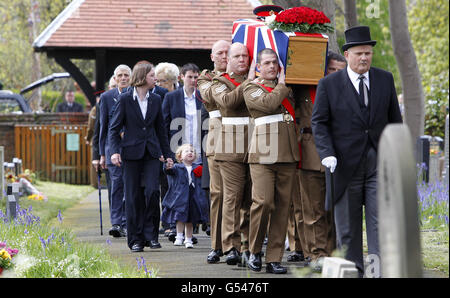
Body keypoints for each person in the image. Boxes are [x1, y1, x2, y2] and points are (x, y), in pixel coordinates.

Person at [311, 26, 403, 277]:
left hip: (378, 163)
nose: (364, 58)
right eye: (360, 53)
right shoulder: (329, 84)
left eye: (368, 53)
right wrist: (326, 152)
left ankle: (376, 272)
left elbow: (395, 120)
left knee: (378, 223)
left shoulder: (385, 79)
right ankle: (353, 272)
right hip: (343, 164)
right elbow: (318, 122)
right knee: (348, 228)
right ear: (348, 54)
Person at [242, 48, 299, 274]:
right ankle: (254, 251)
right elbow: (267, 104)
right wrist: (283, 85)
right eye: (266, 63)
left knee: (283, 208)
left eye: (275, 63)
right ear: (257, 67)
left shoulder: (288, 86)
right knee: (263, 202)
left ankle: (274, 258)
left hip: (288, 153)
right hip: (263, 154)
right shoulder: (250, 87)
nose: (272, 67)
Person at [108, 62, 173, 252]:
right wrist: (114, 151)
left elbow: (161, 130)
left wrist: (168, 155)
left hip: (152, 154)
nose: (155, 79)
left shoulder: (157, 100)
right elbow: (114, 129)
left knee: (152, 192)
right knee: (133, 196)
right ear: (143, 77)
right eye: (152, 75)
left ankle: (151, 235)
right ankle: (135, 239)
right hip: (130, 154)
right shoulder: (126, 99)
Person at [295, 51, 347, 271]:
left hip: (341, 153)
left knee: (337, 208)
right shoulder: (305, 88)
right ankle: (316, 254)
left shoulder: (349, 90)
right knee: (314, 208)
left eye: (339, 71)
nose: (334, 74)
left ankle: (334, 251)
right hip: (310, 151)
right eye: (331, 70)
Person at [210, 42, 252, 266]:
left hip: (255, 147)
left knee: (250, 200)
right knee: (232, 199)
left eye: (245, 56)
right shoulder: (219, 82)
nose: (241, 60)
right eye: (237, 56)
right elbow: (227, 102)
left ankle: (247, 244)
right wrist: (250, 84)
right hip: (229, 149)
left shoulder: (256, 81)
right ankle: (230, 245)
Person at [197, 39, 230, 263]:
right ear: (212, 57)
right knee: (218, 195)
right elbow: (210, 98)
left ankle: (238, 245)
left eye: (229, 52)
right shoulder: (206, 77)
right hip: (217, 141)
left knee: (240, 196)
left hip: (244, 140)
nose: (225, 56)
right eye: (220, 53)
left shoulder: (243, 77)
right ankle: (217, 245)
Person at [99, 64, 131, 238]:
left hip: (131, 148)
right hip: (112, 149)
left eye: (126, 75)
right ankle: (117, 222)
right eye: (120, 75)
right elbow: (103, 127)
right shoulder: (106, 97)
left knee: (129, 186)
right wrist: (101, 154)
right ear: (115, 78)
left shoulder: (135, 95)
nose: (123, 78)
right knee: (116, 185)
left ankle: (127, 221)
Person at [161, 144, 209, 248]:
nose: (190, 153)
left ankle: (188, 239)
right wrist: (167, 165)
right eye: (186, 151)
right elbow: (168, 171)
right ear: (180, 156)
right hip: (180, 197)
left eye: (192, 151)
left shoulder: (198, 167)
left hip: (193, 197)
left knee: (191, 220)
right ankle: (179, 237)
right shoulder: (177, 167)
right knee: (180, 218)